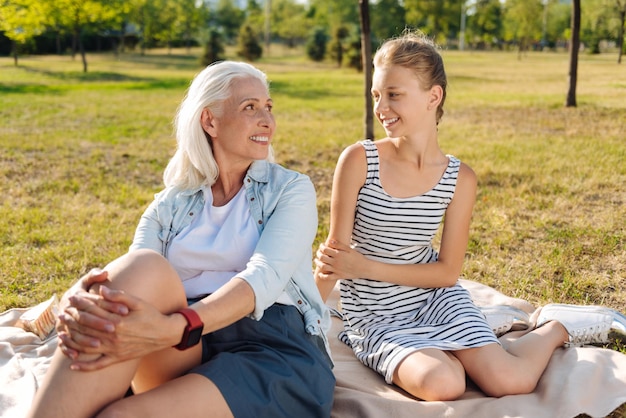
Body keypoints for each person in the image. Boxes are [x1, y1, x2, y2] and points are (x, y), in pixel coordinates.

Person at [313, 32, 626, 402]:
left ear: (434, 96)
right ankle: (478, 336)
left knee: (511, 381)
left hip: (435, 299)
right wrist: (302, 323)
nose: (382, 107)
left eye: (394, 94)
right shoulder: (358, 160)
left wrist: (363, 266)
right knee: (444, 383)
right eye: (376, 95)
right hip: (377, 316)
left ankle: (557, 325)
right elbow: (334, 262)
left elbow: (446, 272)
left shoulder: (459, 179)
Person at [28, 60, 335, 418]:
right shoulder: (171, 202)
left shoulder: (291, 190)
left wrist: (177, 326)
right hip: (182, 341)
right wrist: (81, 297)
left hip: (269, 347)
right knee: (138, 272)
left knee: (118, 416)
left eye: (268, 107)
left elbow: (263, 278)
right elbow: (134, 279)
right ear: (210, 121)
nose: (267, 120)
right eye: (249, 107)